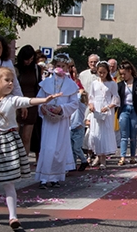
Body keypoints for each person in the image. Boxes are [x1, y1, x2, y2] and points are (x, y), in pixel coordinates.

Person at [0, 68, 61, 229]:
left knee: (9, 181)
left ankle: (13, 216)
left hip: (6, 143)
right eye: (7, 80)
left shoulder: (11, 100)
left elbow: (27, 101)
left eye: (12, 80)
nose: (11, 83)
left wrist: (44, 100)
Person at [35, 57, 79, 187]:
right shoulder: (46, 82)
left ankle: (55, 177)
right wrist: (42, 107)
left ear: (67, 68)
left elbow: (74, 103)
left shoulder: (71, 85)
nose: (61, 68)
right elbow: (39, 99)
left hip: (61, 121)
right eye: (58, 65)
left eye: (63, 66)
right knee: (47, 148)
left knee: (59, 149)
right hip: (48, 122)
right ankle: (44, 177)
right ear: (54, 66)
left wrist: (62, 109)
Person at [87, 61, 119, 169]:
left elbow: (116, 98)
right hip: (96, 109)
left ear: (107, 72)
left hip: (106, 110)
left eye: (104, 72)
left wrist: (109, 107)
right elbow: (91, 97)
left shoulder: (112, 84)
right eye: (100, 72)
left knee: (104, 133)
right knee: (96, 133)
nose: (101, 74)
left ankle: (103, 159)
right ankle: (97, 155)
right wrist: (91, 105)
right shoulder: (94, 83)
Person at [117, 60, 137, 165]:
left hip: (135, 110)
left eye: (124, 74)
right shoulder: (120, 85)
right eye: (121, 74)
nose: (122, 76)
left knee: (133, 136)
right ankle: (122, 157)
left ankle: (133, 156)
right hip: (124, 109)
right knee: (124, 135)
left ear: (130, 71)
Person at [15, 45, 42, 156]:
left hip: (32, 103)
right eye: (27, 59)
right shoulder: (15, 69)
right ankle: (14, 161)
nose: (28, 62)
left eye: (31, 59)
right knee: (15, 135)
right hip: (17, 102)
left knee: (26, 137)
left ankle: (24, 163)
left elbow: (38, 86)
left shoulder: (36, 69)